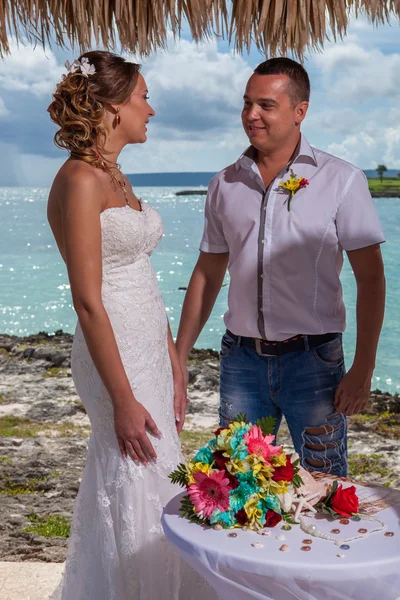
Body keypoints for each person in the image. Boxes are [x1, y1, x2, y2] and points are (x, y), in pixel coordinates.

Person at [47, 51, 215, 600]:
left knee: (161, 468)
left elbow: (141, 276)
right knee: (133, 474)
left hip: (147, 348)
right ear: (114, 106)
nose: (152, 108)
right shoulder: (79, 179)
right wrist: (122, 398)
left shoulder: (114, 173)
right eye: (143, 96)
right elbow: (87, 301)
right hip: (111, 354)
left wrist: (172, 358)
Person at [176, 57, 386, 478]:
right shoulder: (224, 184)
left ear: (299, 111)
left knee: (324, 484)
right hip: (241, 361)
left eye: (266, 106)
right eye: (247, 104)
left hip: (315, 361)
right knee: (240, 484)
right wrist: (179, 358)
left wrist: (364, 367)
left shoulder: (342, 180)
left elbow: (371, 277)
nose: (251, 115)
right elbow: (207, 274)